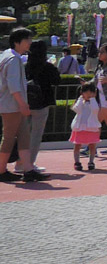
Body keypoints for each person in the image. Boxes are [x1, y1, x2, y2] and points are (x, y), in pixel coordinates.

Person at [0, 27, 41, 183]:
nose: (30, 43)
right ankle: (1, 170)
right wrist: (23, 104)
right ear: (18, 42)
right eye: (27, 40)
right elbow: (13, 85)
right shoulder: (14, 59)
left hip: (12, 104)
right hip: (12, 106)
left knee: (24, 136)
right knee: (9, 137)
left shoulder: (7, 56)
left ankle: (28, 169)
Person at [22, 39, 60, 177]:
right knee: (35, 136)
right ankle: (29, 165)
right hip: (42, 103)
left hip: (26, 103)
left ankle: (20, 163)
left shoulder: (25, 66)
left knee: (23, 135)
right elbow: (57, 81)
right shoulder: (48, 67)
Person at [70, 81, 105, 172]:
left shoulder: (95, 103)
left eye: (91, 92)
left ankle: (91, 162)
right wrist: (80, 99)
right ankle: (77, 162)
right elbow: (77, 109)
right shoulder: (80, 102)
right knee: (77, 145)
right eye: (86, 92)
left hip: (91, 128)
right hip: (80, 127)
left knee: (92, 145)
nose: (89, 94)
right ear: (82, 93)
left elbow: (95, 110)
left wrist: (93, 99)